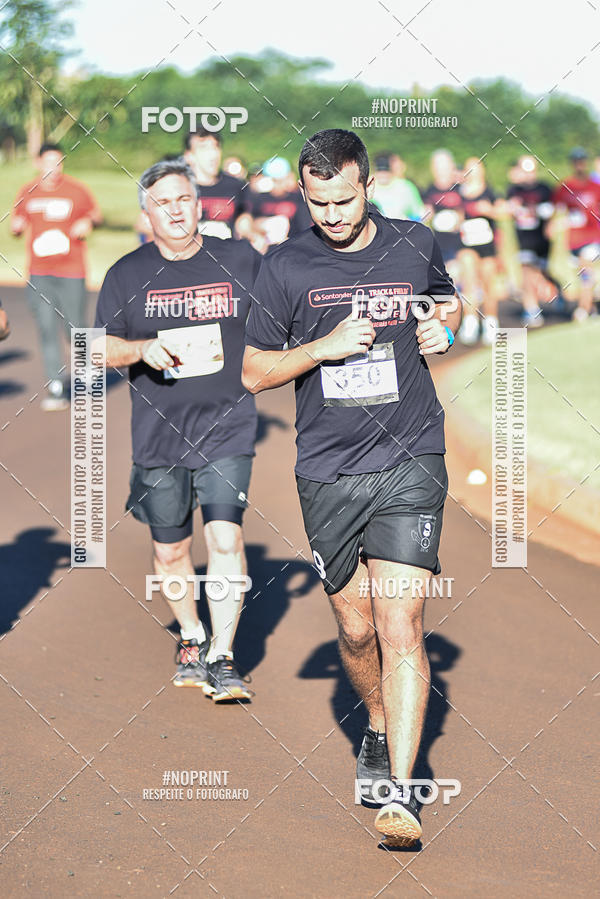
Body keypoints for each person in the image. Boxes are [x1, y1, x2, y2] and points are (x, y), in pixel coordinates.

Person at [242, 129, 461, 846]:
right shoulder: (284, 266)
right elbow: (251, 371)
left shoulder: (414, 241)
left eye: (344, 199)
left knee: (401, 623)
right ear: (302, 193)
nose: (332, 215)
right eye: (318, 202)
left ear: (368, 185)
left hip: (411, 456)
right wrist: (322, 348)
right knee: (357, 626)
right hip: (328, 468)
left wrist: (443, 331)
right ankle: (373, 721)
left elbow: (446, 306)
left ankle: (401, 792)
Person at [94, 159, 261, 702]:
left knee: (225, 536)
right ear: (146, 213)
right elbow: (95, 348)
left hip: (227, 427)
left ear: (198, 203)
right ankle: (191, 635)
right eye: (162, 202)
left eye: (183, 199)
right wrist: (140, 349)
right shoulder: (127, 273)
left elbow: (285, 313)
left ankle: (223, 654)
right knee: (170, 552)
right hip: (159, 435)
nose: (175, 210)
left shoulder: (238, 259)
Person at [11, 142, 102, 410]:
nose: (54, 168)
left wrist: (88, 223)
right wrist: (17, 227)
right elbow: (18, 222)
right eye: (49, 162)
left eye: (59, 162)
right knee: (47, 327)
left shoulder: (76, 190)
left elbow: (96, 214)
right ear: (39, 163)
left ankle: (87, 373)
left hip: (72, 270)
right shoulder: (27, 191)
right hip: (40, 272)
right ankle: (56, 384)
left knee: (74, 326)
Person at [552, 147, 600, 321]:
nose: (579, 165)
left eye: (582, 161)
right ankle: (592, 307)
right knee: (581, 273)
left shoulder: (595, 186)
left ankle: (583, 308)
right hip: (573, 239)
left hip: (592, 236)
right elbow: (556, 209)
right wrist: (554, 224)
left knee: (585, 267)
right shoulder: (566, 187)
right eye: (576, 161)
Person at [506, 155, 555, 326]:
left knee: (539, 272)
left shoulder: (544, 189)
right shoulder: (514, 190)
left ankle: (551, 289)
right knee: (526, 271)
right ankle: (531, 308)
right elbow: (510, 210)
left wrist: (549, 221)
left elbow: (552, 211)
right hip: (524, 238)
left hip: (541, 239)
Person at [458, 157, 500, 345]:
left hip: (487, 245)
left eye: (475, 168)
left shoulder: (489, 192)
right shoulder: (459, 193)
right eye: (469, 169)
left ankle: (491, 322)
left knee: (488, 282)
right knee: (469, 281)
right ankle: (470, 321)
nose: (472, 172)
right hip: (467, 244)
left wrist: (489, 210)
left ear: (482, 171)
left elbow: (504, 211)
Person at [183, 128, 249, 240]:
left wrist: (252, 233)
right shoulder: (179, 186)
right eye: (204, 148)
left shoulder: (236, 185)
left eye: (216, 146)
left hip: (227, 253)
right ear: (189, 156)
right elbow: (148, 224)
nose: (213, 154)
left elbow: (244, 219)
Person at [248, 156, 312, 250]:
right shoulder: (260, 197)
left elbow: (304, 226)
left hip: (293, 246)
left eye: (280, 180)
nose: (277, 185)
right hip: (267, 247)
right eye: (274, 180)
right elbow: (251, 222)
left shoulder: (297, 196)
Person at [422, 149, 465, 286]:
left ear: (452, 167)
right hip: (441, 247)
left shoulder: (462, 188)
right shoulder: (429, 191)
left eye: (445, 167)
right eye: (438, 167)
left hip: (463, 246)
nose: (441, 171)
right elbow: (424, 216)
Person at [371, 153, 424, 221]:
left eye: (386, 170)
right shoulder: (367, 186)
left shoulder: (406, 186)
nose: (383, 174)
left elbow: (419, 213)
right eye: (379, 170)